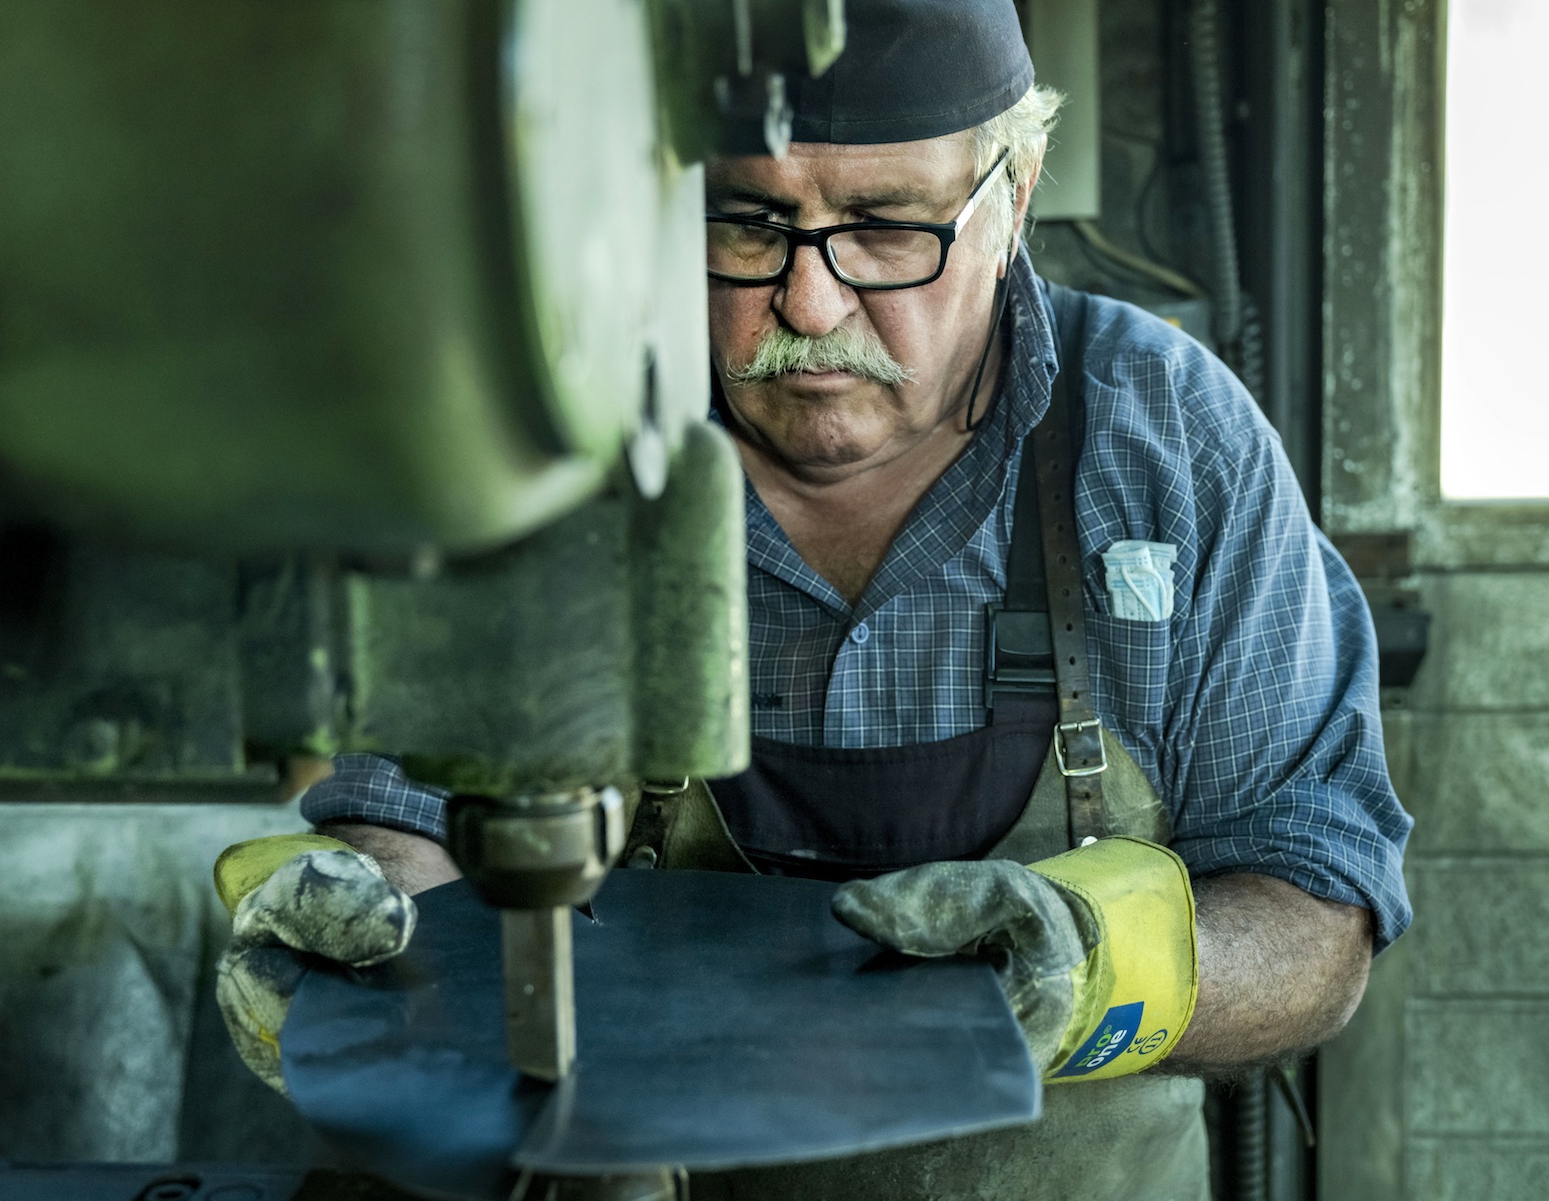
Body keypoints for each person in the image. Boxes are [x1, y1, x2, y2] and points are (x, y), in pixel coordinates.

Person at [212, 2, 1412, 1196]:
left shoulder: (1168, 442)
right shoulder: (551, 438)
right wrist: (378, 950)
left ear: (1015, 191)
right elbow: (400, 810)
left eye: (889, 231)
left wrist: (1101, 969)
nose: (809, 305)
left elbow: (1317, 907)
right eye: (748, 222)